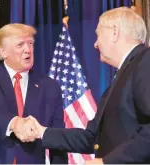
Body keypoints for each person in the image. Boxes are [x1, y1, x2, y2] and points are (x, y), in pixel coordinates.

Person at [35, 7, 150, 164]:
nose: (95, 44)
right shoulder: (122, 76)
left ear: (115, 32)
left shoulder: (145, 61)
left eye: (98, 35)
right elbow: (92, 138)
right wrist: (41, 132)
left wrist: (107, 162)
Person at [0, 23, 68, 164]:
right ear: (3, 52)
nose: (28, 49)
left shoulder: (49, 86)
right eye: (20, 45)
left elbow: (56, 137)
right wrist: (13, 122)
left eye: (30, 43)